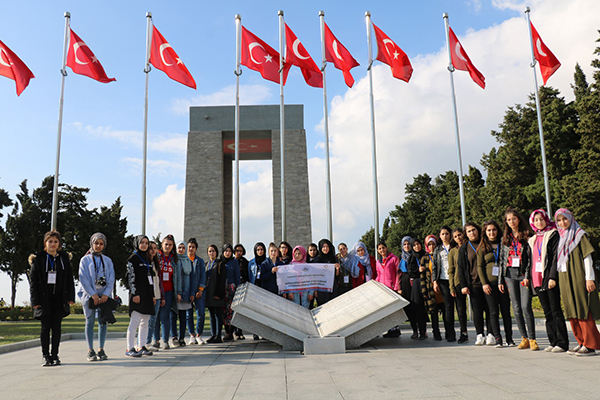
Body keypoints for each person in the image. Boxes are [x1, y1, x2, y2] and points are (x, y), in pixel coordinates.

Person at [555, 208, 600, 356]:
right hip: (565, 278)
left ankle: (591, 344)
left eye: (565, 219)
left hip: (579, 276)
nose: (562, 222)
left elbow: (587, 258)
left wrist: (589, 278)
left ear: (571, 218)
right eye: (559, 220)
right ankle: (580, 341)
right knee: (571, 309)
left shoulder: (579, 235)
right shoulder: (561, 237)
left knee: (582, 307)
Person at [29, 230, 75, 367]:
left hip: (59, 299)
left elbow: (69, 279)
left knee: (56, 327)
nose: (53, 244)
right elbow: (33, 283)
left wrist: (70, 297)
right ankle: (45, 356)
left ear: (59, 243)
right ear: (45, 243)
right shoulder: (39, 259)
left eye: (55, 242)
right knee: (45, 328)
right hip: (44, 299)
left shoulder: (63, 259)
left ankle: (55, 355)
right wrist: (35, 302)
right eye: (50, 241)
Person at [528, 209, 568, 353]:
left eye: (541, 219)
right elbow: (530, 261)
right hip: (537, 279)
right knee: (547, 312)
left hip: (548, 278)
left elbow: (554, 258)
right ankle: (553, 341)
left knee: (555, 310)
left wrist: (552, 277)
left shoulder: (553, 234)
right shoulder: (532, 239)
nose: (539, 222)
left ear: (546, 219)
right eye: (536, 220)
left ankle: (562, 343)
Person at [77, 232, 115, 362]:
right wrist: (92, 294)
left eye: (101, 244)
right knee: (90, 321)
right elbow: (83, 279)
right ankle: (90, 349)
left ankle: (101, 348)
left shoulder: (107, 260)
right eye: (96, 243)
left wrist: (105, 294)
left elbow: (111, 279)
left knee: (103, 322)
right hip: (89, 295)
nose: (98, 246)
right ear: (91, 243)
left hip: (103, 295)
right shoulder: (85, 260)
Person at [502, 207, 536, 350]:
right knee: (515, 307)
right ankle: (524, 338)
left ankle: (533, 338)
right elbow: (502, 261)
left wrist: (527, 276)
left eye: (513, 219)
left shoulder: (526, 236)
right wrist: (500, 280)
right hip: (510, 275)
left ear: (519, 219)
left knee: (525, 306)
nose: (511, 222)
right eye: (508, 220)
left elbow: (530, 260)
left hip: (523, 274)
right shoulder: (505, 238)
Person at [477, 220, 513, 348]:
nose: (491, 232)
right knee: (493, 312)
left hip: (503, 283)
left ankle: (510, 338)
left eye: (494, 230)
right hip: (489, 285)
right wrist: (484, 283)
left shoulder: (504, 244)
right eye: (489, 230)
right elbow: (480, 266)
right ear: (485, 232)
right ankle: (498, 338)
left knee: (506, 312)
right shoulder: (482, 247)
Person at [458, 222, 493, 346]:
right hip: (473, 283)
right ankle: (479, 334)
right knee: (477, 311)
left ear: (478, 230)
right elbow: (460, 268)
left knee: (490, 309)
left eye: (473, 230)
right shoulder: (464, 247)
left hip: (488, 282)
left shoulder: (486, 243)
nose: (472, 233)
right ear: (466, 234)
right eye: (469, 231)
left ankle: (490, 334)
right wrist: (463, 285)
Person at [125, 235, 155, 357]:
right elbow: (130, 279)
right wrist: (135, 294)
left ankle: (141, 345)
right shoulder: (132, 259)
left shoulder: (147, 259)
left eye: (146, 243)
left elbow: (151, 279)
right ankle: (129, 348)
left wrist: (153, 295)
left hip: (147, 295)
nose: (144, 245)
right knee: (135, 321)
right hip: (137, 295)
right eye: (142, 242)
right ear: (137, 243)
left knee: (145, 322)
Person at [431, 226, 457, 342]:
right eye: (443, 234)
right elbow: (435, 266)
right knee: (448, 307)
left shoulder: (454, 247)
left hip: (455, 279)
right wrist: (435, 281)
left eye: (447, 233)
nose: (445, 236)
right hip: (442, 280)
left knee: (455, 307)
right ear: (439, 236)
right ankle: (449, 333)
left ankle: (458, 332)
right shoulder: (437, 249)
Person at [174, 240, 198, 347]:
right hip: (175, 293)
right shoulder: (173, 261)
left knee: (184, 317)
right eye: (179, 247)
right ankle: (174, 337)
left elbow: (193, 279)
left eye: (183, 248)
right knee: (173, 317)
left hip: (186, 293)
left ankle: (182, 338)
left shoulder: (189, 261)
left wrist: (192, 293)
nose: (181, 250)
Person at [421, 235, 445, 341]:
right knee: (433, 313)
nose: (431, 246)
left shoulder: (441, 254)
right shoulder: (425, 258)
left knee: (445, 311)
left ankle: (449, 331)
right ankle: (436, 332)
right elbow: (422, 277)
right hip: (430, 289)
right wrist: (424, 291)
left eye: (433, 244)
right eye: (429, 244)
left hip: (442, 287)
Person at [376, 241, 401, 338]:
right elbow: (378, 275)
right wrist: (375, 284)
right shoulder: (378, 262)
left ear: (386, 248)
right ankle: (390, 329)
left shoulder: (394, 259)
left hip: (392, 287)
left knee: (393, 309)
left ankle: (396, 329)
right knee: (386, 310)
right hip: (383, 288)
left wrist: (396, 287)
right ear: (378, 251)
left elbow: (398, 273)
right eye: (380, 249)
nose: (382, 250)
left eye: (383, 248)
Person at [158, 234, 178, 349]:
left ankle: (165, 340)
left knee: (165, 316)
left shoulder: (174, 259)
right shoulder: (156, 256)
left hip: (169, 291)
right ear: (162, 245)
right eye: (166, 244)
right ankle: (156, 340)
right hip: (157, 291)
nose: (168, 247)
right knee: (155, 317)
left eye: (170, 245)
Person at [449, 228, 469, 344]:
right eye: (455, 236)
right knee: (461, 309)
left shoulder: (469, 247)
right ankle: (463, 332)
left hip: (472, 280)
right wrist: (452, 287)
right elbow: (451, 270)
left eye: (460, 235)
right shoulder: (453, 251)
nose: (458, 238)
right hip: (458, 282)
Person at [205, 245, 226, 343]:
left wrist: (219, 293)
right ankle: (213, 334)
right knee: (211, 314)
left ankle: (218, 335)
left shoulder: (220, 264)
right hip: (208, 293)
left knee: (218, 314)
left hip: (217, 293)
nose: (211, 253)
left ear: (216, 252)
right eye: (210, 251)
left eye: (213, 251)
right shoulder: (206, 264)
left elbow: (222, 280)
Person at [146, 241, 164, 351]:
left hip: (157, 295)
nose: (153, 250)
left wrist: (162, 296)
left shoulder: (156, 263)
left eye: (155, 248)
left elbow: (159, 281)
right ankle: (143, 342)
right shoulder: (146, 263)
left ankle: (148, 342)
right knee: (147, 321)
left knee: (153, 320)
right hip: (149, 295)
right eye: (151, 248)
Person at [221, 244, 240, 341]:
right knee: (224, 311)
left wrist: (238, 288)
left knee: (231, 311)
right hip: (222, 289)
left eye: (229, 251)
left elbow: (237, 276)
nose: (227, 253)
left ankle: (231, 332)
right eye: (225, 251)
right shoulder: (221, 262)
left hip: (231, 288)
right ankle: (226, 331)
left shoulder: (234, 262)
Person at [189, 238, 207, 345]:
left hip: (199, 291)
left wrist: (200, 289)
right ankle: (191, 335)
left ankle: (199, 334)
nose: (191, 249)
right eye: (189, 247)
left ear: (196, 249)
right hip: (188, 291)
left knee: (201, 313)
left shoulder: (199, 261)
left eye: (193, 247)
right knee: (188, 314)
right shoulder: (184, 260)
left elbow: (203, 276)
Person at [248, 242, 266, 339]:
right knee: (254, 311)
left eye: (261, 249)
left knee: (263, 311)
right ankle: (255, 332)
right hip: (254, 288)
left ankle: (263, 332)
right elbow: (249, 276)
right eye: (258, 250)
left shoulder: (267, 261)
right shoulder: (251, 262)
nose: (260, 251)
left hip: (264, 288)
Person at [315, 239, 337, 306]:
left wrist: (337, 268)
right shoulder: (317, 259)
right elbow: (314, 276)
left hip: (332, 287)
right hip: (321, 288)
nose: (325, 248)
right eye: (323, 247)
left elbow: (337, 274)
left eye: (327, 246)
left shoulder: (333, 258)